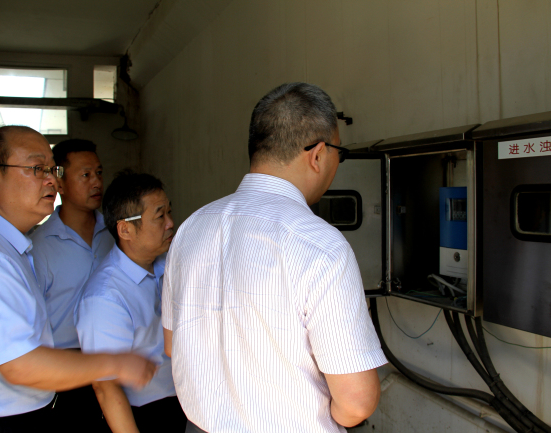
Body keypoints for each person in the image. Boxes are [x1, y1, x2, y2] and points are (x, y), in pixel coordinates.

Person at [162, 82, 388, 433]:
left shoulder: (192, 228)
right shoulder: (321, 245)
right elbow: (356, 402)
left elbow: (172, 345)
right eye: (338, 154)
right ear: (317, 155)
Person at [0, 126, 155, 433]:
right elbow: (19, 364)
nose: (51, 180)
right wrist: (115, 364)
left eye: (53, 169)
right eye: (37, 169)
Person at [75, 170, 187, 433]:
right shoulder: (105, 298)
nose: (170, 223)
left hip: (182, 401)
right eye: (159, 216)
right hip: (143, 413)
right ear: (125, 229)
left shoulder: (169, 263)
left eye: (169, 212)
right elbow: (105, 386)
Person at [30, 139, 114, 432]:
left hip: (116, 364)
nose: (96, 182)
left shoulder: (117, 234)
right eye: (85, 175)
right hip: (66, 376)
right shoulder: (39, 246)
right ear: (60, 184)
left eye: (99, 173)